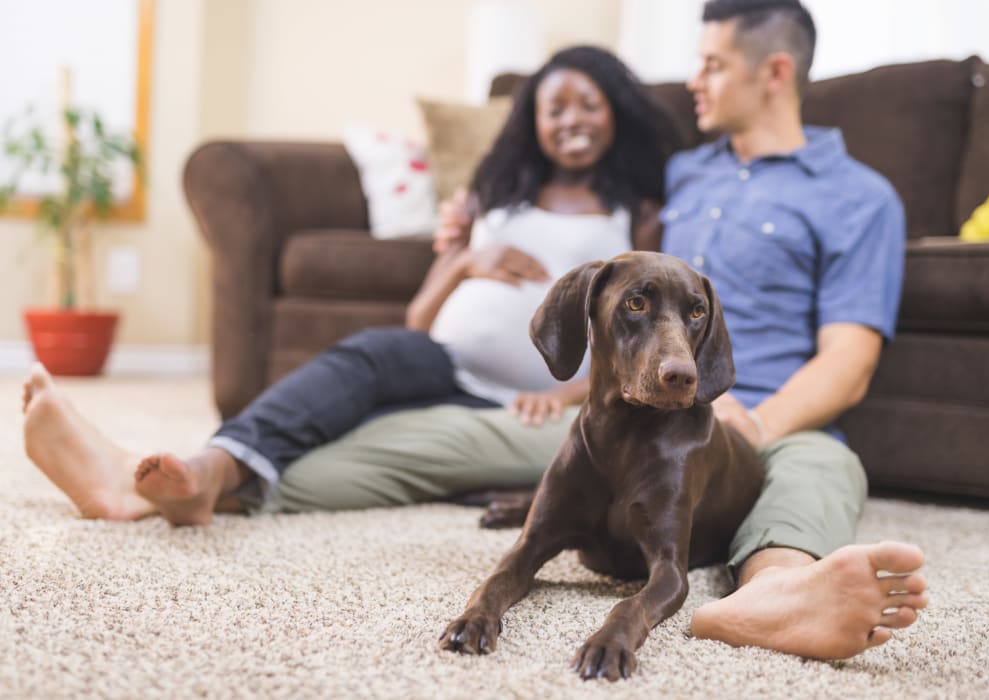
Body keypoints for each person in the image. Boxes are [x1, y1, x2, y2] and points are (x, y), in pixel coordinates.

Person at [265, 0, 930, 661]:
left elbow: (850, 363)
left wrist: (750, 423)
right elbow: (564, 175)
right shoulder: (679, 175)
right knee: (395, 449)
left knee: (821, 471)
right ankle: (251, 477)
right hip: (619, 414)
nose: (693, 80)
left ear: (774, 71)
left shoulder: (859, 197)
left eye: (712, 64)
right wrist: (466, 223)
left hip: (771, 423)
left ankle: (777, 593)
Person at [21, 46, 678, 525]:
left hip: (521, 401)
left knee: (348, 442)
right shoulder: (492, 199)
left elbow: (647, 335)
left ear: (614, 113)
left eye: (588, 105)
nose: (572, 120)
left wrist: (562, 394)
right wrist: (461, 264)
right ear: (530, 121)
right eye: (553, 107)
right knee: (364, 356)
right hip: (438, 361)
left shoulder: (639, 214)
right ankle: (198, 472)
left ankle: (146, 487)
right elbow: (420, 319)